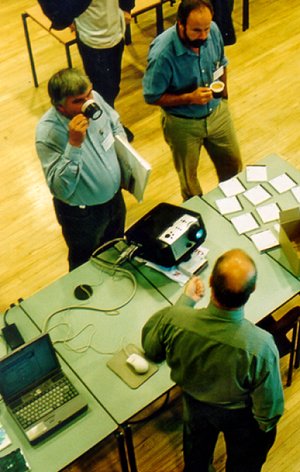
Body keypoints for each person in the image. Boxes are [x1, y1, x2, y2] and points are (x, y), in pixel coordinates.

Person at [142, 249, 284, 471]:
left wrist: (185, 303)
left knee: (196, 459)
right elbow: (269, 410)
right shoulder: (261, 346)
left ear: (210, 281)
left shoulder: (174, 319)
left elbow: (151, 349)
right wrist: (261, 433)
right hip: (238, 415)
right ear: (252, 290)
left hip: (194, 404)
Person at [142, 0, 242, 200]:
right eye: (196, 30)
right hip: (182, 124)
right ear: (180, 24)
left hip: (217, 113)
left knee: (234, 167)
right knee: (190, 181)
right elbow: (152, 96)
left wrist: (224, 99)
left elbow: (221, 63)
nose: (204, 36)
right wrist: (189, 98)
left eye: (206, 28)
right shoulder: (162, 54)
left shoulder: (212, 30)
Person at [36, 68, 127, 271]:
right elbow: (61, 189)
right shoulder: (47, 133)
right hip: (83, 215)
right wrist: (74, 144)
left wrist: (127, 164)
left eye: (89, 94)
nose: (89, 103)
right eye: (78, 100)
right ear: (61, 108)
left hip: (114, 199)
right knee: (83, 262)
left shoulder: (94, 99)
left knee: (116, 247)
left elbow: (115, 124)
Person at [74, 0, 135, 142]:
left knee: (113, 85)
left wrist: (127, 9)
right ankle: (106, 127)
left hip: (115, 32)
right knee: (101, 90)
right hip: (92, 39)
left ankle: (109, 121)